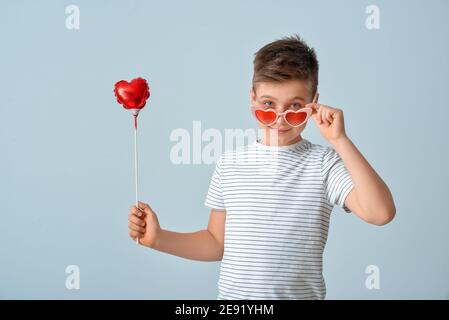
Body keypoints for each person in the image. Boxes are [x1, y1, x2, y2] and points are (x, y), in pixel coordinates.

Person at [127, 35, 396, 299]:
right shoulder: (229, 164)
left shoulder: (324, 164)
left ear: (314, 103)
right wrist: (159, 239)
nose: (280, 121)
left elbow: (380, 213)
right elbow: (216, 242)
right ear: (252, 98)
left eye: (295, 108)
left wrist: (339, 140)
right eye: (268, 106)